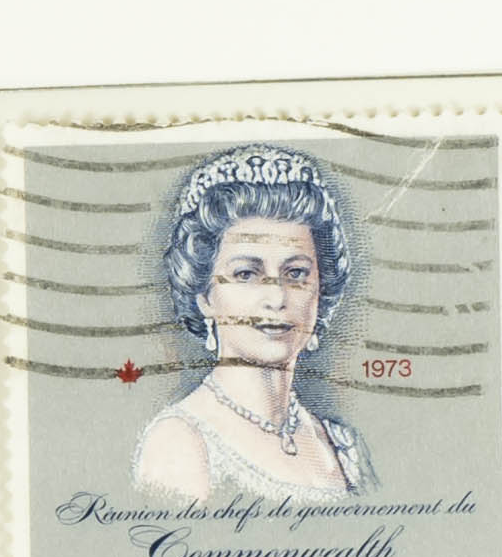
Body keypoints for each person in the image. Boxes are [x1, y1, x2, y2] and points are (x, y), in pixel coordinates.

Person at [128, 148, 372, 501]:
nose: (276, 297)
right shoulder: (179, 442)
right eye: (246, 274)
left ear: (320, 291)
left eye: (296, 273)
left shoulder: (343, 447)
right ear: (204, 296)